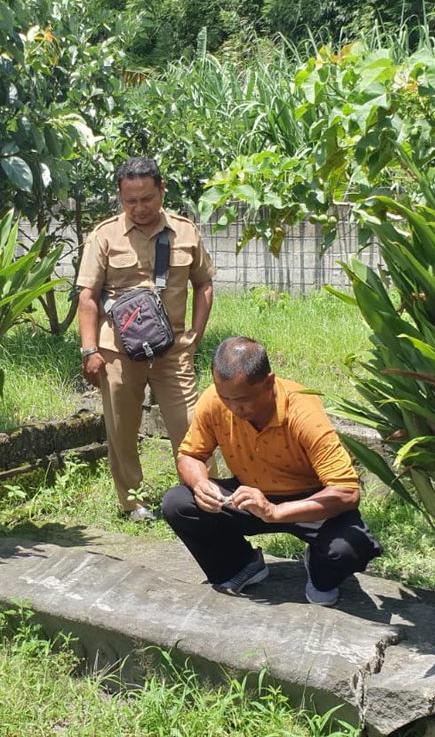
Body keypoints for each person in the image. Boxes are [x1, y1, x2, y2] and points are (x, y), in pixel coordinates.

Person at [161, 337, 382, 605]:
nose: (233, 408)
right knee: (179, 503)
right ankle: (240, 566)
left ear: (269, 383)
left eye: (243, 400)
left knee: (351, 546)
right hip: (248, 495)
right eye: (225, 397)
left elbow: (346, 492)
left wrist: (275, 511)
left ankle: (318, 568)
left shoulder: (302, 411)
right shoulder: (214, 400)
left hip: (309, 499)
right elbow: (189, 455)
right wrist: (199, 484)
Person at [76, 157, 215, 522]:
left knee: (191, 425)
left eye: (147, 199)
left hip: (173, 349)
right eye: (130, 201)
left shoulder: (185, 232)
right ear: (120, 197)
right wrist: (90, 350)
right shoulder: (105, 235)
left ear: (162, 190)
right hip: (118, 351)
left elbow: (203, 284)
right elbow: (87, 297)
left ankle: (202, 496)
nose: (139, 208)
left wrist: (195, 336)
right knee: (122, 429)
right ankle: (132, 502)